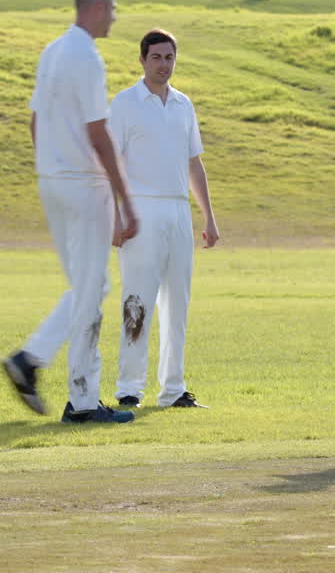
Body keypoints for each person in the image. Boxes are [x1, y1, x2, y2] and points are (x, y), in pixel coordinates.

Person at [0, 0, 139, 424]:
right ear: (97, 9)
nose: (115, 17)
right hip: (83, 184)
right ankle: (75, 396)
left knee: (88, 287)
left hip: (53, 181)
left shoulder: (53, 51)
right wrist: (125, 200)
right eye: (113, 9)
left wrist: (49, 167)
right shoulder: (87, 58)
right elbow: (99, 134)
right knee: (91, 288)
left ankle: (42, 367)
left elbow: (36, 120)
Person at [108, 28, 219, 410]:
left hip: (177, 212)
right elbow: (111, 164)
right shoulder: (124, 104)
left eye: (169, 57)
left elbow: (194, 163)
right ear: (142, 60)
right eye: (156, 57)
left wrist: (208, 216)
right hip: (140, 210)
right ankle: (128, 388)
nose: (163, 65)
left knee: (178, 304)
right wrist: (115, 217)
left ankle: (173, 389)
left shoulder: (183, 105)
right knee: (137, 300)